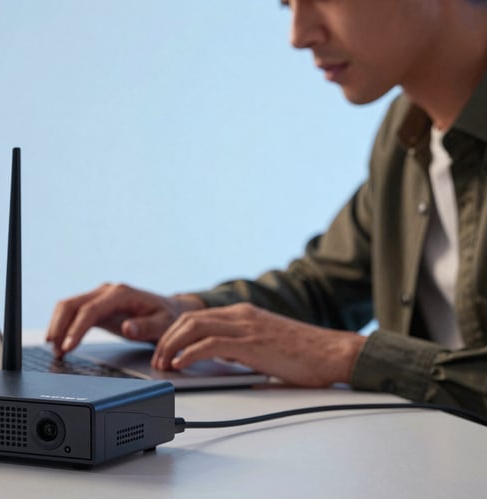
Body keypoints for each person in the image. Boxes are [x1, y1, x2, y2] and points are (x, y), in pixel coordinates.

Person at [46, 0, 487, 416]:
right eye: (287, 4)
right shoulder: (405, 132)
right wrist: (187, 312)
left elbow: (333, 337)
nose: (298, 35)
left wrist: (347, 355)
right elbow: (325, 288)